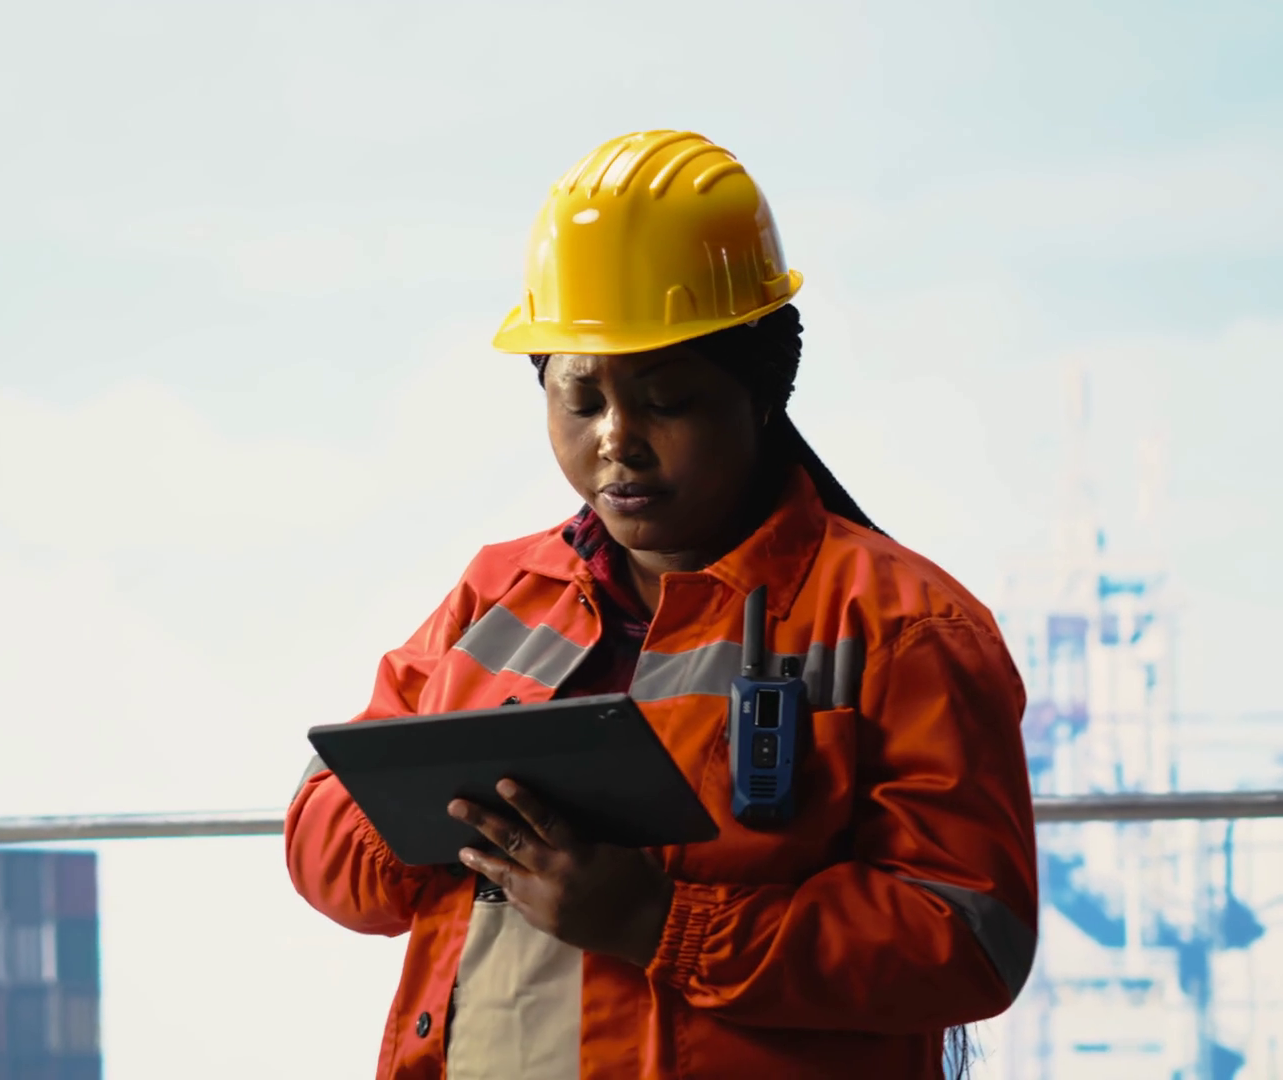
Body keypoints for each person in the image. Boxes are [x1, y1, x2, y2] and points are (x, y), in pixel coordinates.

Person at [284, 130, 1039, 1080]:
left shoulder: (901, 627)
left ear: (762, 391)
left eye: (667, 399)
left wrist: (659, 924)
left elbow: (969, 937)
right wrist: (451, 820)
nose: (617, 440)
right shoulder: (499, 591)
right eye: (581, 397)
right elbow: (322, 829)